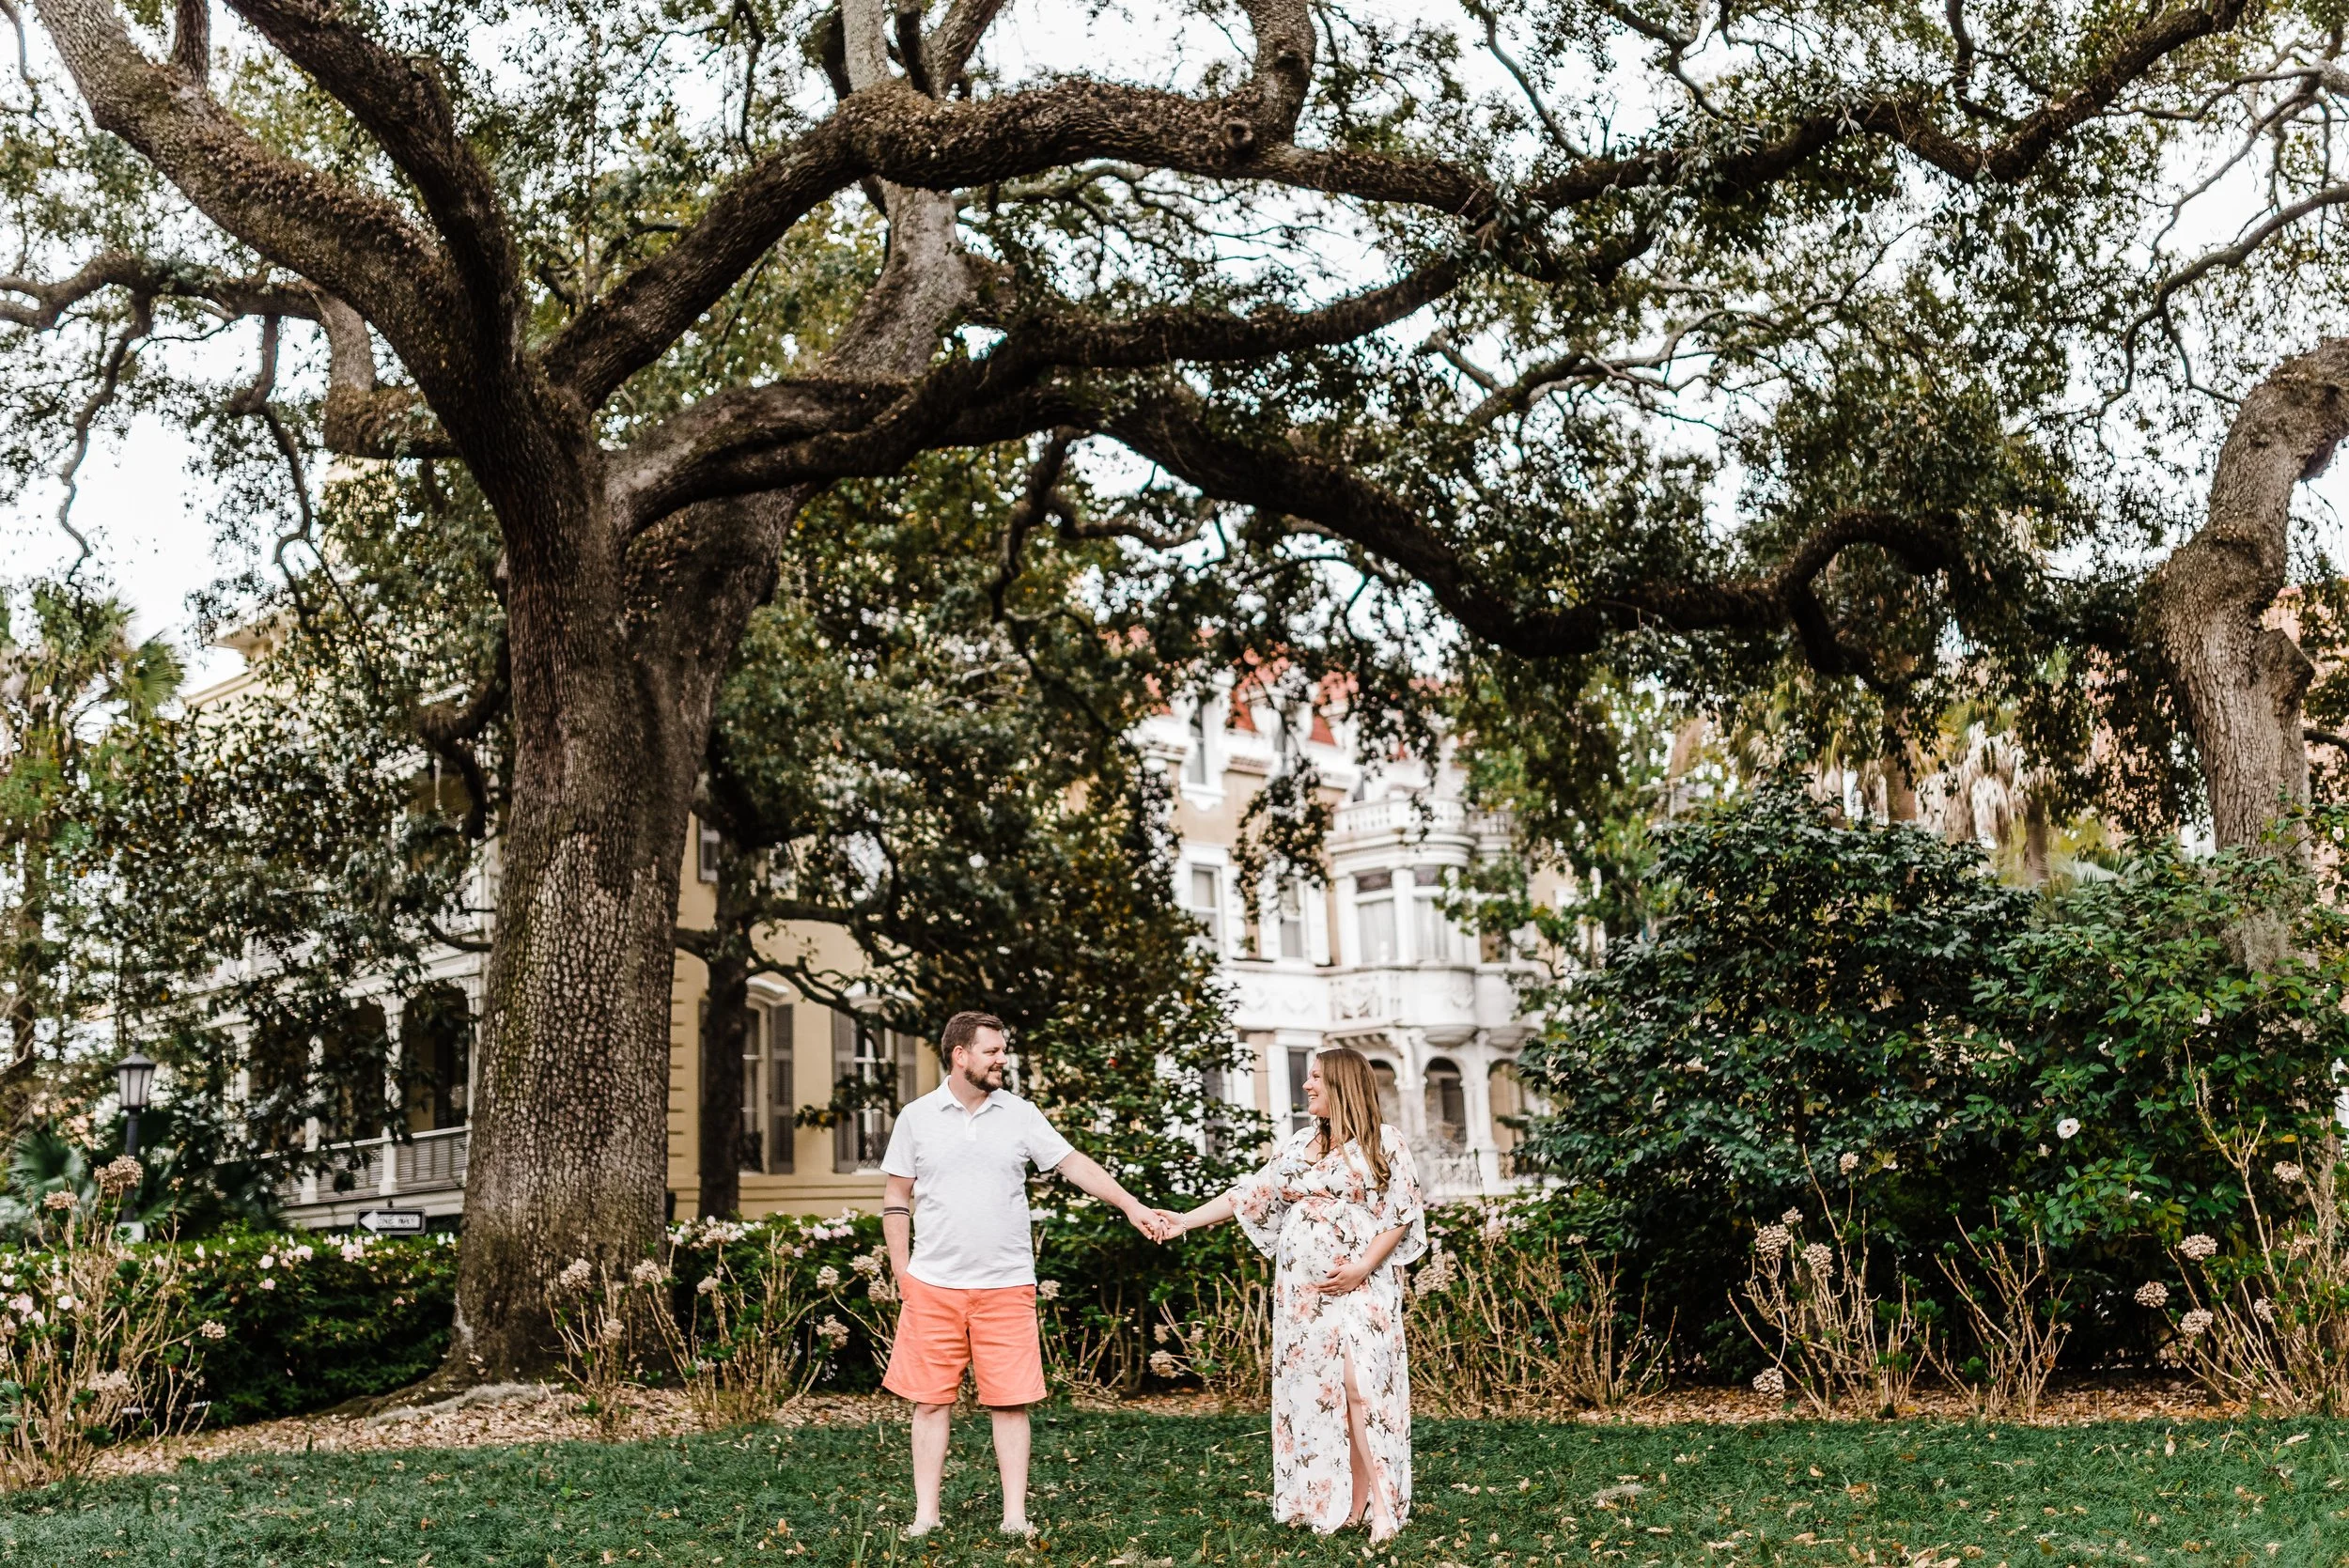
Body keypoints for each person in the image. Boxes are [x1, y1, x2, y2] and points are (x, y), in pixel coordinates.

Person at [879, 1010, 1175, 1538]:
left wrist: (1131, 1207)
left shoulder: (1020, 1114)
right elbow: (896, 1198)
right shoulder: (916, 1117)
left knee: (1011, 1403)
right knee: (929, 1403)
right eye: (992, 1050)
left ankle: (1014, 1516)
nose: (1002, 1059)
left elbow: (1075, 1164)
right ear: (960, 1055)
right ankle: (926, 1515)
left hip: (1006, 1284)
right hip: (933, 1286)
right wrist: (904, 1273)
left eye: (1003, 1049)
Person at [1159, 1045, 1425, 1542]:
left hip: (1361, 1284)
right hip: (1303, 1295)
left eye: (1317, 1078)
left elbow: (1402, 1213)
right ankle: (1347, 1502)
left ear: (1343, 1085)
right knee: (1325, 1395)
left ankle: (1385, 1508)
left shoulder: (1384, 1143)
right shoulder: (1300, 1143)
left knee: (1360, 1385)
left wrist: (1362, 1266)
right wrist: (1184, 1221)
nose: (1307, 1086)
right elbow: (1248, 1195)